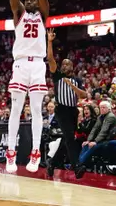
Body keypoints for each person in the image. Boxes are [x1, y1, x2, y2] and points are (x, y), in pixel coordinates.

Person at [0, 0, 49, 173]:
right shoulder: (19, 14)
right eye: (28, 0)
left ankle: (35, 152)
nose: (30, 1)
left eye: (33, 0)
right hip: (21, 64)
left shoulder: (43, 15)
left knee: (36, 109)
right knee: (16, 109)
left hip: (38, 65)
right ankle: (11, 152)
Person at [45, 28, 84, 177]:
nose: (64, 66)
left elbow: (82, 96)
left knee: (68, 139)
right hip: (61, 110)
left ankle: (52, 163)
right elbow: (50, 59)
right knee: (69, 138)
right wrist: (49, 42)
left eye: (68, 64)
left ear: (72, 67)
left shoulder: (77, 80)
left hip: (73, 111)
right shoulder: (58, 76)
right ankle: (77, 167)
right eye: (63, 64)